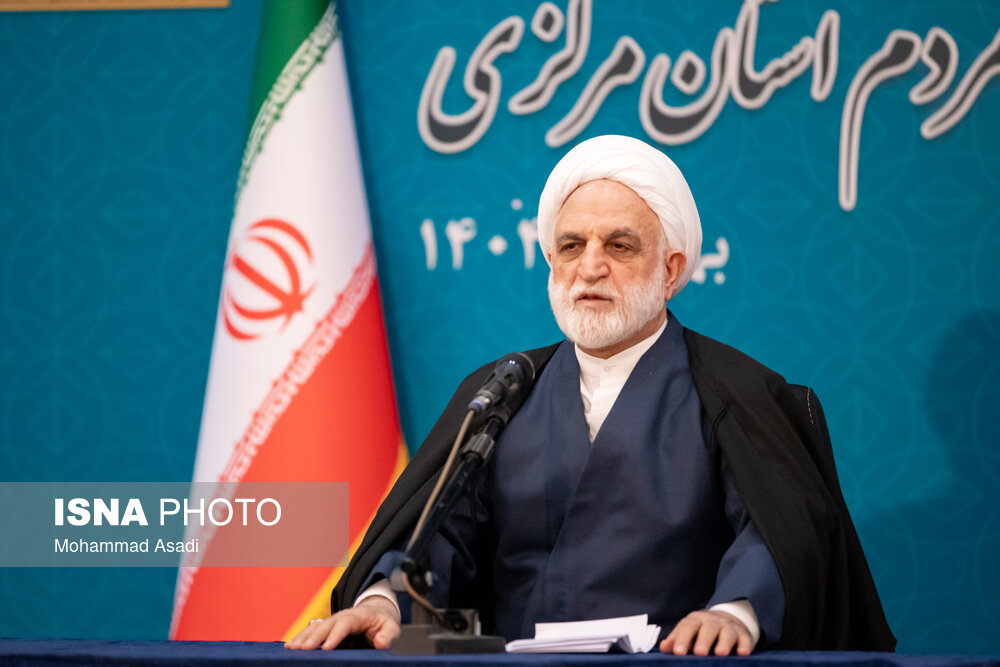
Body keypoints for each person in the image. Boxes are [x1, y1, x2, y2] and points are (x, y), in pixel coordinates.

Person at [286, 135, 895, 655]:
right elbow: (437, 534)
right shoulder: (502, 393)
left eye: (620, 246)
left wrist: (736, 612)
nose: (591, 266)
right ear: (551, 261)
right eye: (572, 246)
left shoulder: (735, 393)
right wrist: (384, 600)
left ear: (671, 270)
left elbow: (778, 535)